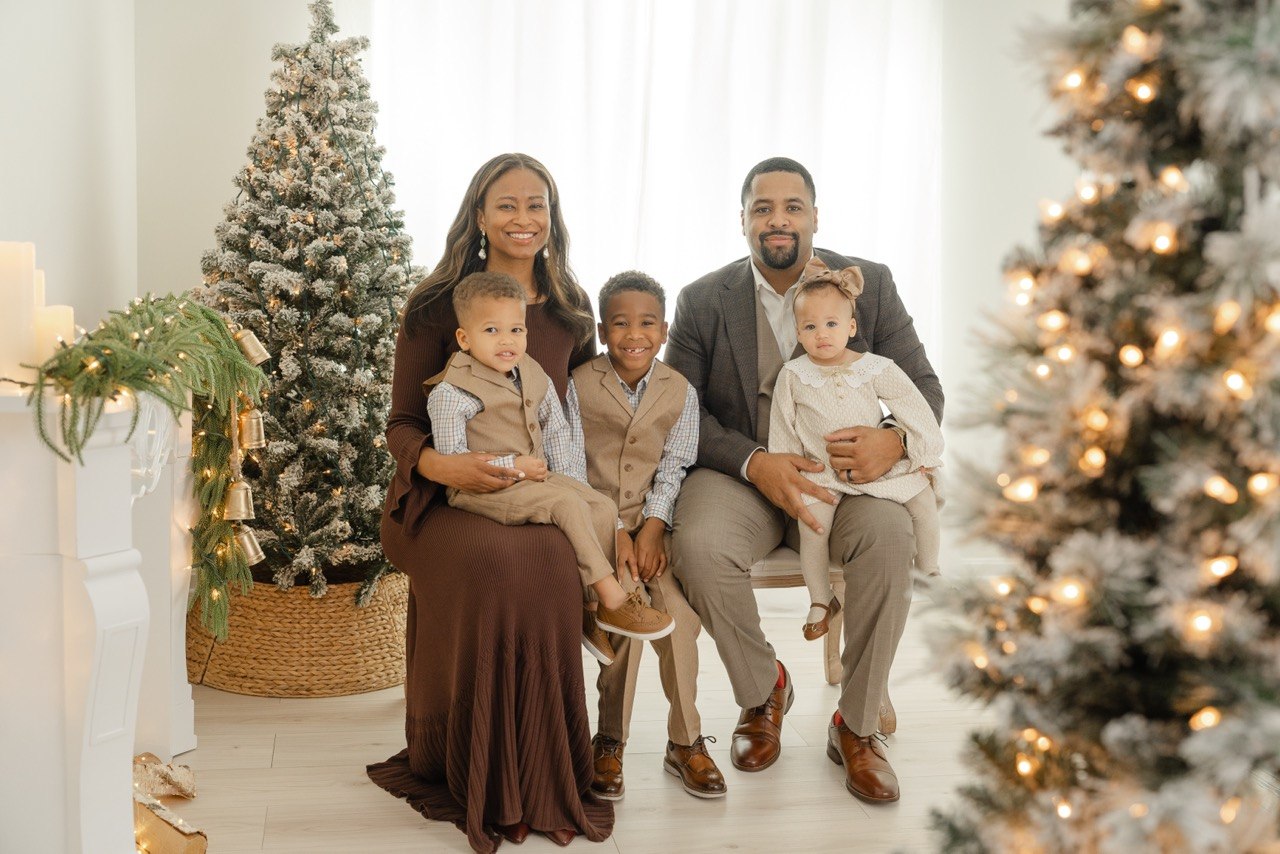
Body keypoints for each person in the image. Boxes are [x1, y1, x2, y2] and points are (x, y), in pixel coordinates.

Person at [664, 157, 943, 805]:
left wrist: (894, 440)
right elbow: (679, 410)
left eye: (793, 207)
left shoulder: (871, 284)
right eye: (762, 208)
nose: (778, 220)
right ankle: (765, 689)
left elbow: (923, 388)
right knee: (698, 544)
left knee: (888, 534)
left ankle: (857, 724)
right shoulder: (702, 300)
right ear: (742, 221)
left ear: (815, 216)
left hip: (846, 480)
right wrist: (755, 462)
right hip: (742, 475)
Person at [368, 153, 614, 852]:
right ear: (479, 216)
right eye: (506, 205)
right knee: (501, 565)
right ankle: (472, 763)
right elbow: (401, 424)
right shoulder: (435, 308)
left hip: (535, 484)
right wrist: (446, 466)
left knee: (547, 557)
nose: (523, 219)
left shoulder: (568, 309)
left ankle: (542, 770)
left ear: (552, 217)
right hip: (438, 496)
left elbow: (571, 416)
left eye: (537, 205)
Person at [426, 270, 674, 641]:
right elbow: (457, 464)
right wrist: (515, 468)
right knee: (565, 506)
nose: (507, 340)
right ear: (465, 338)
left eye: (516, 329)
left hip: (533, 478)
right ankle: (613, 599)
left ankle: (591, 610)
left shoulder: (531, 373)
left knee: (600, 506)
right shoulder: (452, 392)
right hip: (482, 489)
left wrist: (575, 486)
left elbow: (557, 433)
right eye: (491, 330)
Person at [567, 271, 726, 801]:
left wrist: (653, 526)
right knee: (627, 618)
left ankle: (685, 741)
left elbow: (675, 465)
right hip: (595, 527)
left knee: (679, 621)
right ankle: (610, 740)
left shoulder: (679, 389)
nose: (634, 334)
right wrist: (615, 531)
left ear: (664, 330)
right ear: (602, 331)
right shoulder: (576, 384)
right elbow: (569, 466)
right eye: (620, 323)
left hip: (654, 526)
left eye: (647, 323)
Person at [768, 257, 943, 642]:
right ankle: (820, 599)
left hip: (876, 469)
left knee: (922, 500)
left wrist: (922, 453)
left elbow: (914, 407)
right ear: (798, 333)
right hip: (821, 475)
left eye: (831, 325)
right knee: (813, 527)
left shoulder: (874, 367)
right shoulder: (794, 375)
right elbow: (783, 429)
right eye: (810, 327)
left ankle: (929, 570)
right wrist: (792, 476)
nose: (822, 335)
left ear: (851, 327)